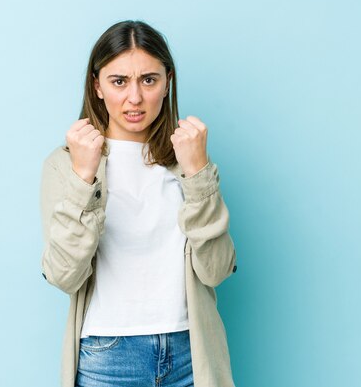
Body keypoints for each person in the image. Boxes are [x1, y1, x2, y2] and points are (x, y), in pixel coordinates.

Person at [39, 20, 238, 387]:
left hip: (190, 354)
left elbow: (217, 270)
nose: (135, 98)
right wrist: (84, 180)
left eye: (149, 80)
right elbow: (64, 275)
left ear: (168, 82)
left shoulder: (190, 162)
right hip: (108, 358)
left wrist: (198, 175)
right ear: (97, 85)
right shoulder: (65, 164)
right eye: (119, 81)